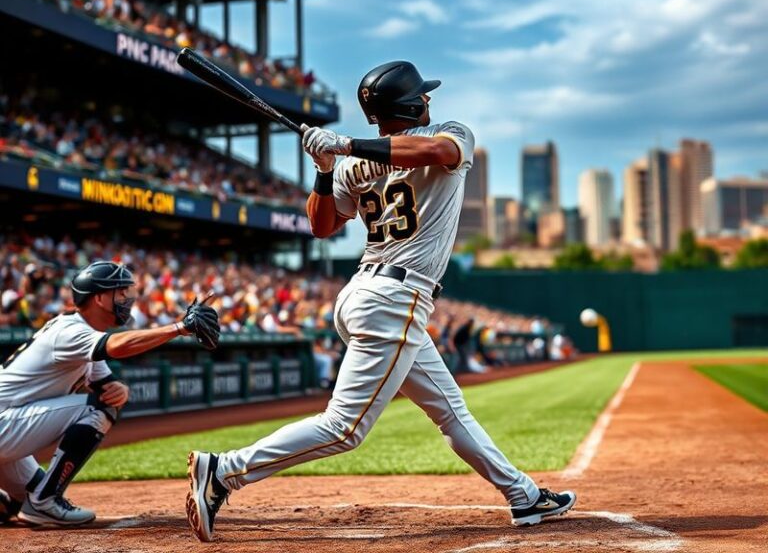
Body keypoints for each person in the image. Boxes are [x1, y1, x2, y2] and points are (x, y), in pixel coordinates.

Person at [185, 61, 576, 542]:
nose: (430, 101)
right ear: (415, 103)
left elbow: (430, 151)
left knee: (450, 412)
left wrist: (342, 150)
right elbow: (322, 224)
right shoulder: (395, 147)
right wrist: (324, 172)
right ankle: (224, 470)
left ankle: (523, 495)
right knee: (343, 429)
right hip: (393, 297)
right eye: (423, 96)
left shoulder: (431, 141)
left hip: (372, 297)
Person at [0, 261, 219, 527]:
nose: (128, 299)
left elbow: (107, 385)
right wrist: (180, 328)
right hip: (5, 422)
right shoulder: (70, 330)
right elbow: (117, 346)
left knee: (18, 502)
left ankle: (28, 501)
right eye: (122, 292)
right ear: (101, 298)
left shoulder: (79, 330)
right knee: (98, 409)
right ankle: (46, 500)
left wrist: (120, 389)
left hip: (9, 424)